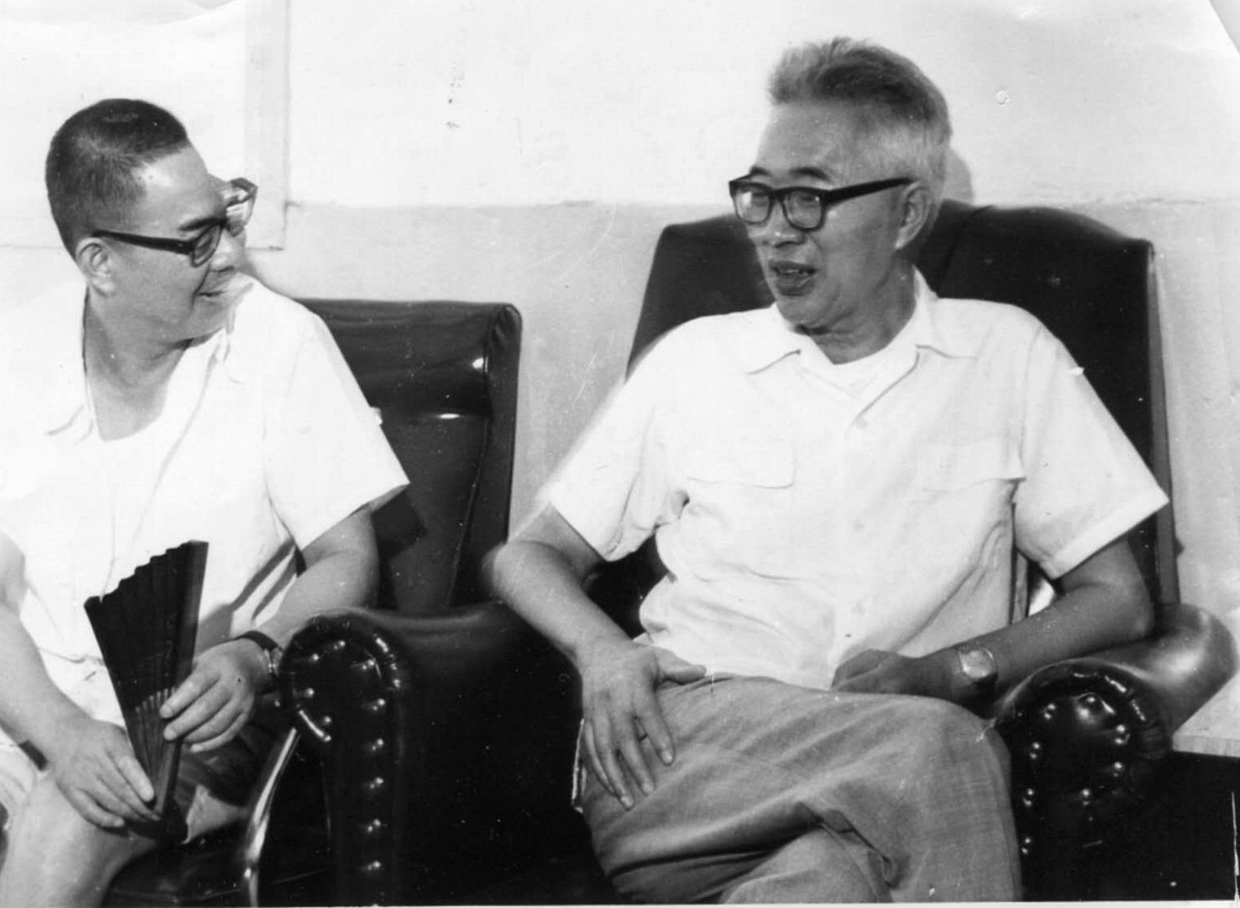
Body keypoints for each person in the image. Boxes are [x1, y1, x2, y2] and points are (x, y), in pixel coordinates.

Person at [485, 37, 1168, 903]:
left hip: (891, 783)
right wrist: (602, 654)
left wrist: (948, 671)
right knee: (940, 746)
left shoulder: (1007, 355)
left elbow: (1117, 596)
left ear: (907, 214)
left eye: (808, 198)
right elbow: (528, 553)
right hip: (683, 751)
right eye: (759, 195)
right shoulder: (696, 360)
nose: (774, 230)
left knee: (827, 882)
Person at [0, 98, 407, 908]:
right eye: (196, 239)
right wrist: (61, 733)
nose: (232, 254)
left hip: (193, 720)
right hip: (15, 703)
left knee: (65, 822)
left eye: (228, 215)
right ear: (100, 262)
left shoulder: (281, 344)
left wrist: (255, 655)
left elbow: (346, 556)